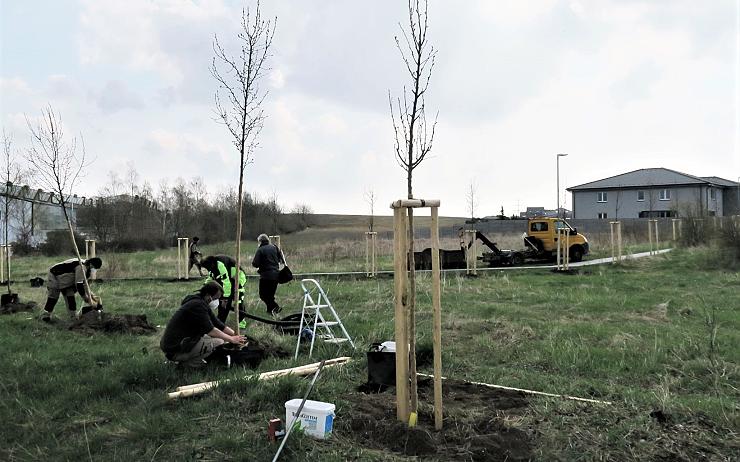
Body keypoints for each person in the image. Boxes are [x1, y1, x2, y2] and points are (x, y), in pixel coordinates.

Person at [160, 281, 246, 367]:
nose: (217, 302)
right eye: (216, 298)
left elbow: (218, 324)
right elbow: (211, 330)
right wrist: (231, 339)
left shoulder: (199, 302)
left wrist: (237, 336)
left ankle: (187, 359)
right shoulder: (197, 306)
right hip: (175, 349)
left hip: (174, 345)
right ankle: (188, 364)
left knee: (214, 338)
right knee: (219, 342)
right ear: (208, 295)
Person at [40, 257, 103, 321]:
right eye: (95, 268)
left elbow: (85, 285)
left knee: (70, 297)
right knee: (53, 296)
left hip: (66, 280)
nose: (95, 270)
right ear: (91, 264)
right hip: (55, 274)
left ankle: (73, 317)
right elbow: (79, 285)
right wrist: (85, 298)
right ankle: (46, 315)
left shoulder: (87, 270)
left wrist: (92, 296)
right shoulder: (82, 267)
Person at [201, 254, 248, 326]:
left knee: (237, 300)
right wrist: (204, 287)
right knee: (222, 301)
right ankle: (220, 321)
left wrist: (225, 298)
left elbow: (226, 282)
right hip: (229, 279)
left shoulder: (220, 265)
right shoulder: (212, 267)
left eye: (207, 268)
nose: (207, 270)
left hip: (238, 278)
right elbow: (211, 278)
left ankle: (241, 322)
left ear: (211, 264)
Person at [252, 234, 284, 316]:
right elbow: (281, 259)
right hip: (276, 275)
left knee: (263, 295)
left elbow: (255, 263)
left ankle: (275, 307)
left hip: (266, 276)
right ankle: (270, 312)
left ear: (260, 241)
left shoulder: (260, 250)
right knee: (270, 295)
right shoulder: (274, 247)